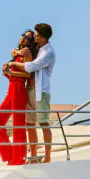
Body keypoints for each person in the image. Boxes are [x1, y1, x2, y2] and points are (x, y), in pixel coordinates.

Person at [9, 23, 56, 162]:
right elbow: (15, 50)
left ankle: (47, 156)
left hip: (41, 92)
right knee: (30, 124)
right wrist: (16, 53)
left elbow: (31, 67)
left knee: (43, 123)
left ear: (42, 38)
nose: (34, 36)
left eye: (36, 35)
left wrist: (13, 64)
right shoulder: (37, 47)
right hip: (29, 90)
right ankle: (33, 155)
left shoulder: (49, 53)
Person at [0, 30, 35, 166]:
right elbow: (14, 73)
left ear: (30, 42)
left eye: (28, 37)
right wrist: (7, 73)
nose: (23, 38)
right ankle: (10, 155)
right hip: (11, 90)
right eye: (23, 35)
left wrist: (12, 69)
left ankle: (17, 159)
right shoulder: (16, 53)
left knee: (18, 126)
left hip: (19, 91)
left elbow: (27, 75)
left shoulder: (27, 53)